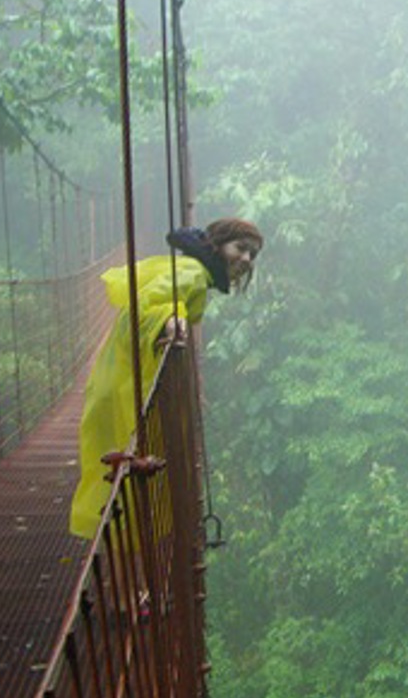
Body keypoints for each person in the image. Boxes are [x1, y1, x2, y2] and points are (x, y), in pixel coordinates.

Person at [68, 217, 263, 539]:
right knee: (134, 464)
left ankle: (118, 542)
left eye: (252, 255)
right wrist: (169, 320)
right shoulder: (192, 274)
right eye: (241, 248)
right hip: (123, 378)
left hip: (119, 372)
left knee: (121, 465)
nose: (246, 260)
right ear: (217, 244)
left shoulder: (192, 272)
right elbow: (143, 308)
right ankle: (124, 549)